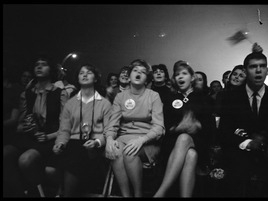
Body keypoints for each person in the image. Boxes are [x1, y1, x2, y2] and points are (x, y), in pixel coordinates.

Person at [219, 43, 268, 197]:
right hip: (241, 151)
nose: (258, 70)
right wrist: (247, 143)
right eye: (253, 67)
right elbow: (224, 131)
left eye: (262, 66)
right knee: (237, 172)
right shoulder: (230, 97)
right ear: (246, 71)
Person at [3, 55, 68, 197]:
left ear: (50, 69)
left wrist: (48, 136)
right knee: (6, 153)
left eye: (43, 64)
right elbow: (20, 123)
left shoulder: (60, 93)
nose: (39, 67)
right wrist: (24, 126)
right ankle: (20, 192)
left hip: (50, 138)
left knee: (26, 160)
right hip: (29, 137)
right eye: (37, 64)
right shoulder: (27, 93)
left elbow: (65, 124)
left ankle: (38, 193)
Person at [154, 60, 215, 197]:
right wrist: (179, 127)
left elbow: (210, 128)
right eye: (177, 74)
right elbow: (166, 125)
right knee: (190, 154)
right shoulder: (170, 99)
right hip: (173, 143)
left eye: (184, 73)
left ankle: (161, 193)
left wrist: (197, 125)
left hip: (199, 141)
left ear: (192, 77)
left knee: (184, 138)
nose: (180, 77)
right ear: (174, 79)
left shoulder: (203, 98)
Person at [104, 59, 165, 197]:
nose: (139, 74)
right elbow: (112, 124)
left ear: (146, 79)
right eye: (135, 71)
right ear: (130, 75)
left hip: (147, 140)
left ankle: (138, 194)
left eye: (143, 72)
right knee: (115, 150)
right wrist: (108, 139)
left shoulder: (153, 96)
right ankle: (126, 195)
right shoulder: (120, 96)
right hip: (124, 137)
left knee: (129, 153)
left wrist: (141, 140)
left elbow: (159, 127)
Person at [52, 63, 112, 197]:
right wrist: (60, 143)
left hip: (95, 146)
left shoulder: (104, 103)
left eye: (89, 72)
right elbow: (64, 130)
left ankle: (64, 193)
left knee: (76, 151)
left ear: (96, 79)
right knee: (72, 149)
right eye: (81, 73)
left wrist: (97, 142)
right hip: (73, 146)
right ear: (78, 78)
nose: (84, 75)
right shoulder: (70, 103)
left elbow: (108, 130)